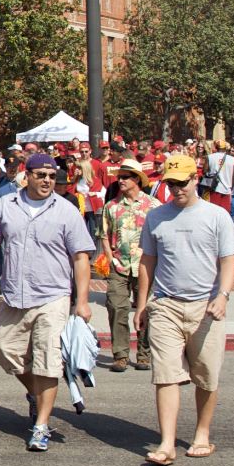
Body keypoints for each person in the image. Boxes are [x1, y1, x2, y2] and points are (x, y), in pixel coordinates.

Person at [0, 153, 95, 453]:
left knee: (47, 363)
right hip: (14, 295)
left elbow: (80, 257)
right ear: (27, 176)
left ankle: (41, 426)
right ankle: (35, 394)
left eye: (52, 176)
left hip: (53, 296)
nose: (47, 180)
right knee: (4, 351)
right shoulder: (6, 206)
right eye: (41, 175)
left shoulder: (66, 212)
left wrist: (82, 301)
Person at [134, 153, 234, 466]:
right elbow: (147, 262)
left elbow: (229, 259)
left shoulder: (216, 215)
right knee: (165, 375)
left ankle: (202, 434)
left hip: (205, 307)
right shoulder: (156, 216)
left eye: (182, 183)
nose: (177, 189)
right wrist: (142, 305)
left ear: (196, 180)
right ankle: (166, 443)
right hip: (166, 304)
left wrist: (222, 295)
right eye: (171, 183)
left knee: (206, 376)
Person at [100, 159, 154, 373]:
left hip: (145, 267)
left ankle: (144, 353)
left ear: (137, 180)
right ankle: (120, 355)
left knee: (147, 310)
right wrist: (109, 258)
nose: (120, 180)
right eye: (119, 177)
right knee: (116, 307)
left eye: (125, 177)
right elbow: (103, 234)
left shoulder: (153, 206)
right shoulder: (111, 207)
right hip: (119, 266)